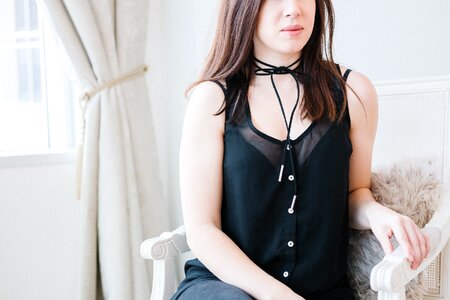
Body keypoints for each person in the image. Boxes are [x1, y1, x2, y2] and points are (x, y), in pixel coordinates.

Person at [171, 0, 430, 299]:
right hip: (224, 287)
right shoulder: (213, 99)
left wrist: (377, 213)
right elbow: (203, 231)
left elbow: (355, 192)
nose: (293, 8)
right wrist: (278, 295)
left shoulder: (354, 92)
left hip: (321, 289)